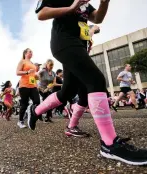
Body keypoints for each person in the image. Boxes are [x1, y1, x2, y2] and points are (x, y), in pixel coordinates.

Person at [26, 0, 147, 165]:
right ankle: (110, 144)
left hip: (79, 46)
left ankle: (35, 111)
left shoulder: (87, 4)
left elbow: (97, 18)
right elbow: (41, 14)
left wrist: (105, 3)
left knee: (68, 91)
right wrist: (71, 7)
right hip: (63, 43)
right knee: (96, 80)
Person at [16, 48, 40, 128]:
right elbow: (17, 72)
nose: (31, 53)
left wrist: (36, 76)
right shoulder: (22, 61)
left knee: (37, 101)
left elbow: (33, 75)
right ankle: (20, 121)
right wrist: (26, 72)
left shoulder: (32, 63)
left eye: (32, 52)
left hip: (33, 85)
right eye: (30, 52)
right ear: (25, 53)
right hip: (24, 85)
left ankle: (31, 116)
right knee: (24, 104)